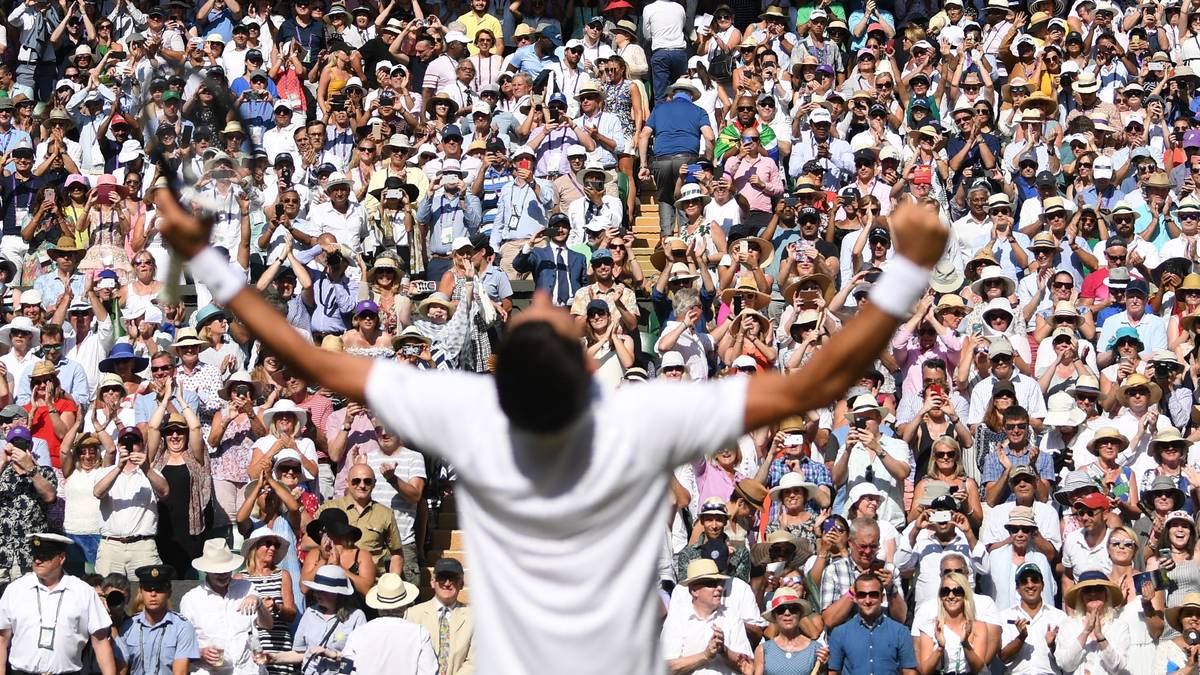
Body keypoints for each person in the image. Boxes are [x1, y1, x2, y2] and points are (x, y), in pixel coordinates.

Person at [159, 174, 949, 672]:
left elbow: (308, 355)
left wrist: (206, 260)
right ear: (585, 369)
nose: (545, 299)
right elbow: (823, 378)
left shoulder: (473, 415)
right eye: (554, 315)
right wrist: (909, 266)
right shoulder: (639, 419)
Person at [0, 533, 116, 675]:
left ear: (61, 558)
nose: (37, 561)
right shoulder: (16, 589)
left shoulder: (83, 592)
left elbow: (100, 642)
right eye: (35, 555)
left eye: (44, 556)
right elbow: (2, 638)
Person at [179, 539, 274, 675]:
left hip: (248, 670)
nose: (223, 574)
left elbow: (268, 625)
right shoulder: (191, 600)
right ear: (206, 570)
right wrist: (200, 654)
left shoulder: (247, 588)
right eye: (217, 571)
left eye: (226, 570)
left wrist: (259, 603)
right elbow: (183, 646)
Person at [253, 565, 365, 675]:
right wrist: (272, 658)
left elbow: (361, 659)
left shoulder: (356, 617)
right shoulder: (310, 612)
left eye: (322, 591)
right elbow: (300, 653)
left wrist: (334, 655)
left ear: (338, 593)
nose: (316, 594)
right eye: (316, 590)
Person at [91, 425, 169, 577]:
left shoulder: (151, 473)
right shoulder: (106, 472)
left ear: (141, 446)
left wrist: (146, 469)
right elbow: (98, 492)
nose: (130, 447)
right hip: (111, 545)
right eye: (125, 443)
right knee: (108, 595)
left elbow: (165, 492)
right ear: (119, 446)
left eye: (134, 442)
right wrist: (119, 467)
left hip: (143, 546)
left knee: (146, 594)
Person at [660, 558, 754, 673]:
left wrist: (724, 651)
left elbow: (749, 669)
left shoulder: (732, 616)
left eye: (719, 583)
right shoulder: (677, 618)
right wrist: (705, 655)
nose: (719, 588)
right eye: (711, 584)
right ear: (694, 590)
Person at [339, 573, 437, 675]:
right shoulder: (419, 633)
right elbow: (428, 671)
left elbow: (346, 670)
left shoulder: (359, 633)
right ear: (405, 604)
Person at [115, 564, 199, 675]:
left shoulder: (182, 627)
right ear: (141, 591)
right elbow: (121, 669)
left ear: (169, 593)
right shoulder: (128, 626)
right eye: (148, 589)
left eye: (159, 590)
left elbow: (180, 672)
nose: (153, 594)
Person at [827, 573, 917, 674]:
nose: (868, 600)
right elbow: (833, 672)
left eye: (873, 595)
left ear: (882, 598)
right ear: (855, 598)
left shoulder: (900, 632)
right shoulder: (840, 633)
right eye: (862, 595)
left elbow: (909, 671)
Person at [1054, 570, 1131, 674]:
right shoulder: (1068, 625)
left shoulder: (1119, 626)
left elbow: (1117, 667)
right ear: (1081, 596)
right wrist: (1085, 632)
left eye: (1098, 589)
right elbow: (1065, 665)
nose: (1093, 593)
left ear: (1106, 594)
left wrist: (1100, 637)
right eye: (1087, 590)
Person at [406, 558, 474, 675]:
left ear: (461, 584)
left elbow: (474, 661)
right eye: (442, 577)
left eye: (453, 578)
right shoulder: (413, 615)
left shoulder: (473, 617)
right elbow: (408, 657)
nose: (447, 583)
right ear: (432, 582)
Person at [999, 562, 1067, 674]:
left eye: (1035, 580)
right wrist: (1021, 638)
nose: (1030, 585)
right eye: (1024, 581)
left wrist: (1052, 646)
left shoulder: (1059, 616)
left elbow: (1066, 662)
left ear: (1043, 585)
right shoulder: (1005, 616)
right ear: (1017, 588)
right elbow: (1004, 658)